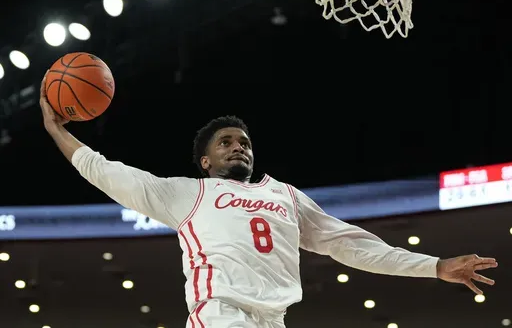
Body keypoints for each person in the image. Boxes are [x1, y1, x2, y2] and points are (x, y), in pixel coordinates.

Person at [39, 74, 497, 328]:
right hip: (220, 314)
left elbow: (354, 245)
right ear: (205, 160)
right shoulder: (187, 194)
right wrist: (57, 129)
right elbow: (106, 171)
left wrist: (434, 265)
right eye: (226, 142)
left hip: (273, 320)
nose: (239, 146)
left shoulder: (286, 196)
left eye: (245, 142)